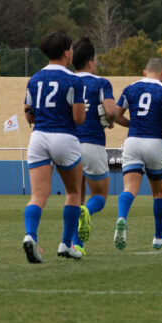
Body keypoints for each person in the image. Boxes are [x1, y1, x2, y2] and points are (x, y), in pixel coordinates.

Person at [22, 31, 87, 261]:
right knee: (74, 192)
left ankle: (30, 235)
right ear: (66, 52)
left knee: (38, 195)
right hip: (64, 137)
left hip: (38, 136)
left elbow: (29, 114)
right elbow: (78, 118)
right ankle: (66, 244)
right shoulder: (74, 80)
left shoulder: (34, 79)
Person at [114, 58, 162, 249]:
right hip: (155, 142)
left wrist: (132, 124)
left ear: (144, 72)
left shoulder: (130, 88)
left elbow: (115, 115)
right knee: (159, 192)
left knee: (129, 188)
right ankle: (158, 237)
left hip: (133, 141)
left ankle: (121, 217)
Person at [71, 37, 118, 255]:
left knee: (74, 196)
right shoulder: (101, 83)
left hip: (69, 145)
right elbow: (111, 111)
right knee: (99, 196)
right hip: (92, 143)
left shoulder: (67, 81)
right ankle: (87, 211)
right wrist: (110, 120)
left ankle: (76, 245)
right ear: (90, 62)